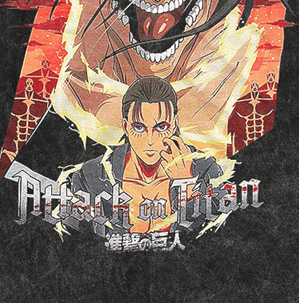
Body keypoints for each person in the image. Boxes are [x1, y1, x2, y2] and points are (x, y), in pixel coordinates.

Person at [68, 75, 224, 237]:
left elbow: (213, 239)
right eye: (139, 127)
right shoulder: (92, 176)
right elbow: (74, 239)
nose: (150, 141)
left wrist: (187, 186)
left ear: (174, 124)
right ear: (126, 126)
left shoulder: (206, 170)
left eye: (161, 127)